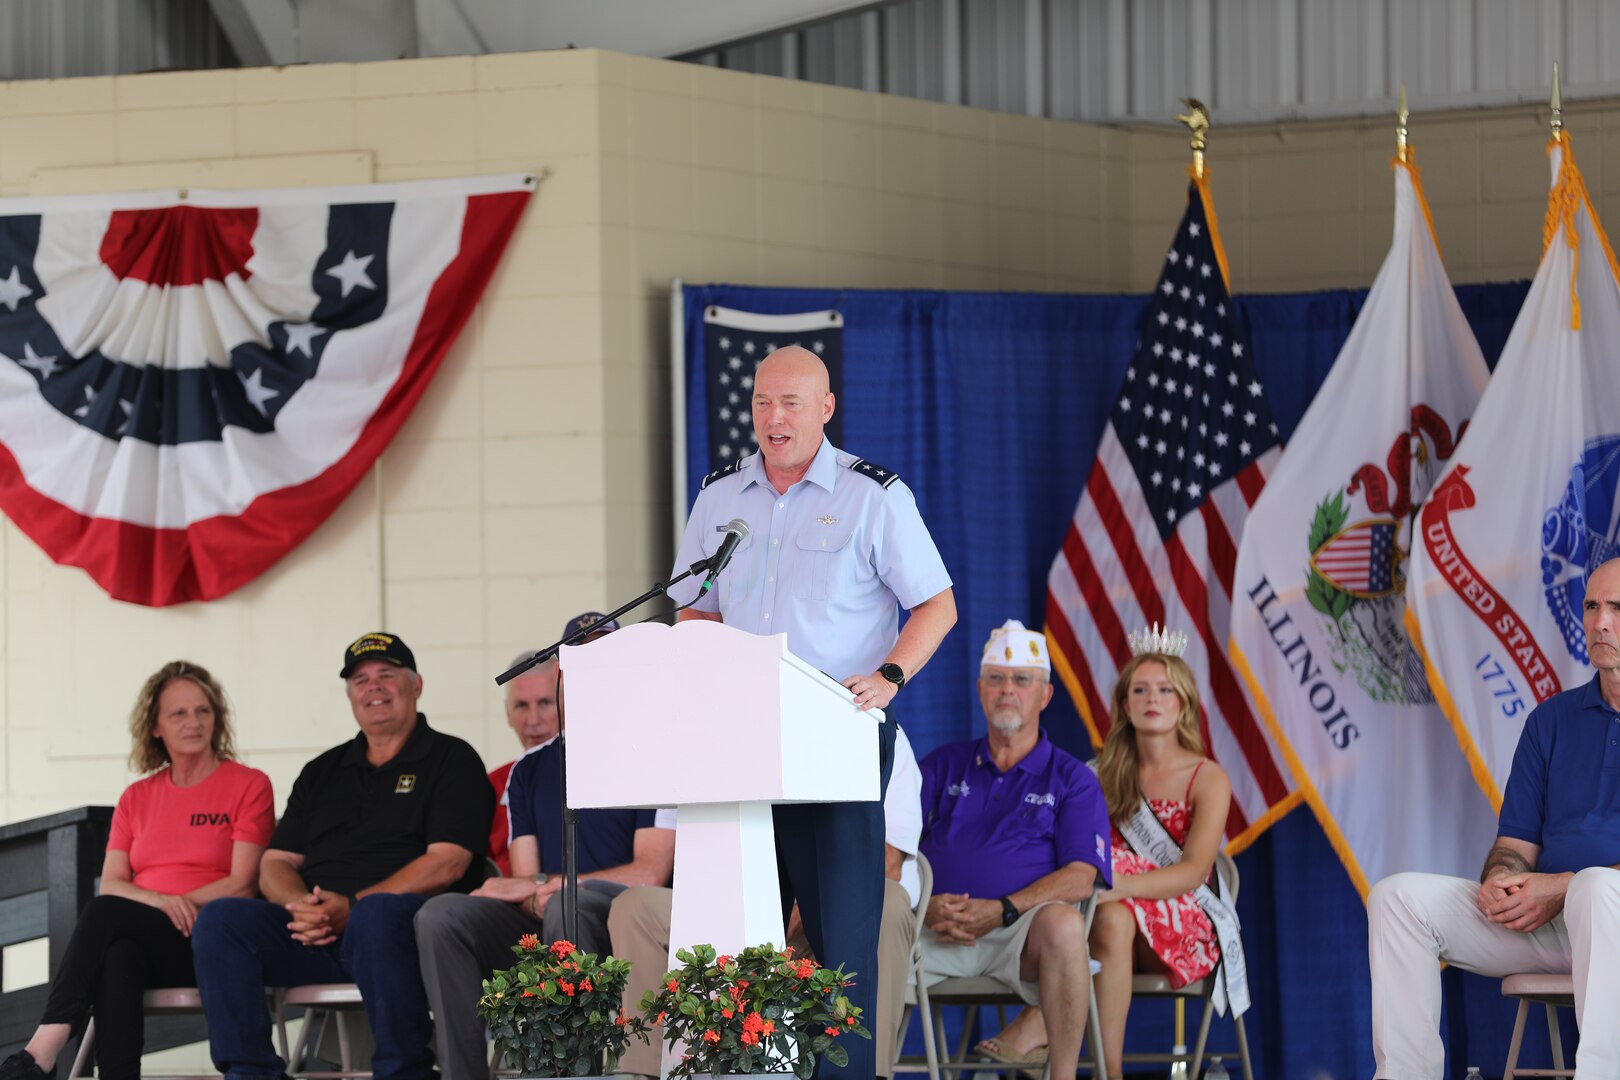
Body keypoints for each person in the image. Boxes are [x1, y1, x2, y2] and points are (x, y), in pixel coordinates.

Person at [669, 344, 956, 1079]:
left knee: (840, 957)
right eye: (763, 402)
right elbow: (693, 612)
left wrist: (891, 675)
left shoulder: (872, 496)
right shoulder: (718, 498)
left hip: (834, 742)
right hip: (740, 747)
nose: (773, 418)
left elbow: (937, 604)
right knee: (739, 947)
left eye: (791, 403)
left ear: (826, 409)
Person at [191, 632, 493, 1080]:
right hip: (318, 931)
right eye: (360, 680)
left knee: (376, 914)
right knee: (221, 921)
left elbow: (448, 861)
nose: (373, 687)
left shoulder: (452, 758)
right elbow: (275, 861)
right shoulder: (322, 771)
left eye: (386, 676)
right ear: (350, 695)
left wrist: (353, 907)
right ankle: (250, 1073)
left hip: (401, 932)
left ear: (417, 685)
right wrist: (301, 907)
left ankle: (404, 1072)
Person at [1368, 557, 1620, 1078]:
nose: (1600, 622)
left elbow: (1588, 890)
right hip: (1554, 924)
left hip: (1605, 912)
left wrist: (1565, 887)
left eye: (1617, 608)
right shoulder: (1551, 720)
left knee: (1596, 889)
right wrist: (1501, 879)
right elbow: (1514, 845)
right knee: (1397, 897)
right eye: (1593, 605)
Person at [0, 662, 273, 1080]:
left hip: (211, 940)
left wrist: (172, 905)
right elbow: (112, 881)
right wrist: (161, 902)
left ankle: (40, 1053)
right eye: (178, 713)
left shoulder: (249, 785)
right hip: (148, 941)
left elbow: (243, 883)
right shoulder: (137, 797)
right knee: (117, 951)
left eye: (203, 710)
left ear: (216, 719)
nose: (193, 722)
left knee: (105, 914)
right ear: (155, 727)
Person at [608, 724, 925, 1079]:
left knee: (890, 902)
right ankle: (649, 1072)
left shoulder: (870, 724)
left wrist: (804, 900)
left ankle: (864, 1070)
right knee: (635, 907)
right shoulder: (708, 722)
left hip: (828, 910)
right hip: (729, 903)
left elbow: (890, 859)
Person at [415, 650, 675, 1080]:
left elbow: (649, 872)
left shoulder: (649, 754)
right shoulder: (530, 768)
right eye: (522, 705)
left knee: (564, 904)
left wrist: (548, 886)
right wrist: (539, 890)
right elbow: (522, 880)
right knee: (440, 915)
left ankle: (572, 1074)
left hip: (619, 918)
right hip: (543, 913)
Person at [917, 619, 1111, 1080]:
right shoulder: (942, 765)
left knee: (1066, 924)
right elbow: (891, 849)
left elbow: (1082, 876)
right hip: (933, 930)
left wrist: (1003, 909)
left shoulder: (1073, 779)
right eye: (998, 679)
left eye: (1023, 680)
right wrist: (923, 907)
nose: (1009, 691)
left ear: (1044, 695)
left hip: (1020, 937)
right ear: (981, 689)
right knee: (874, 927)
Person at [487, 612, 620, 874]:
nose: (533, 719)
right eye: (521, 705)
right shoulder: (495, 783)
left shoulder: (624, 760)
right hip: (521, 907)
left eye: (545, 703)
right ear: (507, 712)